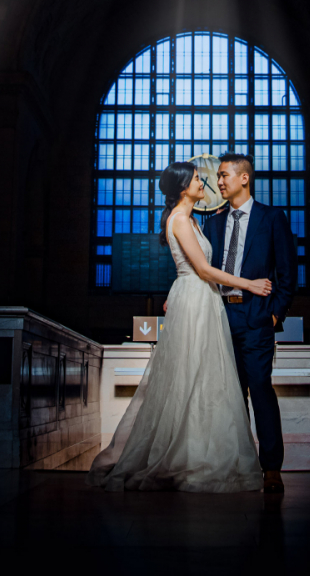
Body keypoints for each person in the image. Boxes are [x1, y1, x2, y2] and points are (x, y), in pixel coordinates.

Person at [87, 161, 271, 492]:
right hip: (196, 298)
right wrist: (250, 284)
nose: (205, 184)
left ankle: (197, 451)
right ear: (184, 187)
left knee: (204, 377)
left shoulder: (193, 221)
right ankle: (186, 457)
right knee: (191, 375)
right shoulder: (181, 221)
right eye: (199, 180)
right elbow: (203, 270)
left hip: (200, 299)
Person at [207, 152, 296, 493]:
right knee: (228, 394)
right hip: (220, 315)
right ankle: (235, 463)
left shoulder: (272, 218)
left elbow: (287, 273)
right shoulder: (213, 223)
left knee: (259, 389)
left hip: (256, 316)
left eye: (224, 174)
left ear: (244, 178)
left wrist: (274, 314)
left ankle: (271, 468)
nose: (219, 182)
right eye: (218, 176)